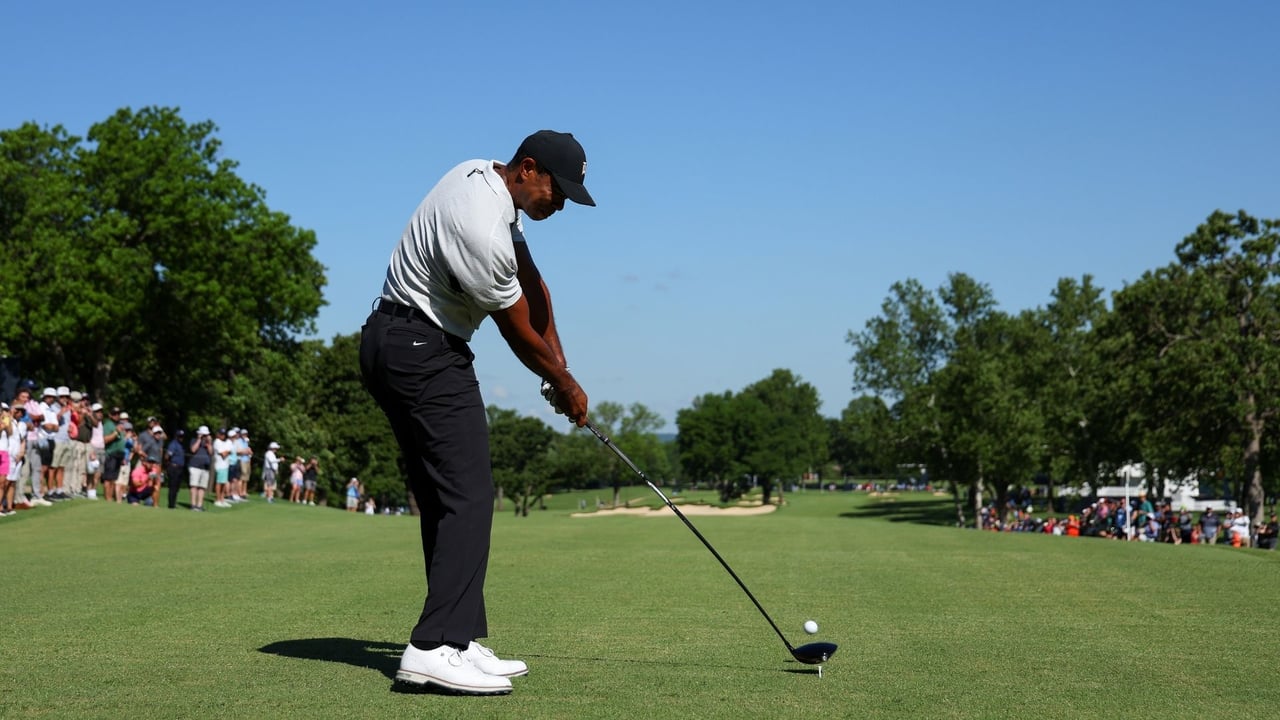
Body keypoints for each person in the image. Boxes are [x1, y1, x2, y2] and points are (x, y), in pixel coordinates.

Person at [359, 130, 594, 695]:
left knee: (448, 498)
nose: (557, 204)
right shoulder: (483, 227)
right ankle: (433, 648)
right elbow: (517, 332)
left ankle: (455, 637)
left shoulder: (484, 179)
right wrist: (563, 384)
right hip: (421, 350)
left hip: (398, 342)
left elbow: (534, 287)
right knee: (469, 495)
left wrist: (563, 366)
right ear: (528, 169)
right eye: (555, 192)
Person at [188, 426, 214, 511]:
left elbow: (211, 452)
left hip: (205, 467)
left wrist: (209, 443)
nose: (205, 436)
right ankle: (193, 505)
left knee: (202, 487)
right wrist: (199, 440)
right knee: (194, 485)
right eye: (203, 434)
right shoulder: (194, 440)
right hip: (195, 466)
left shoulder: (208, 443)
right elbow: (193, 450)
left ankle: (199, 505)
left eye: (206, 435)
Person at [164, 429, 186, 509]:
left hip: (180, 468)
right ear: (176, 436)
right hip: (174, 467)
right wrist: (168, 466)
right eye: (180, 436)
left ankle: (173, 503)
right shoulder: (173, 444)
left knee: (176, 487)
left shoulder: (181, 445)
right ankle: (171, 505)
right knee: (172, 487)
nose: (181, 438)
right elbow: (167, 456)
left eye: (182, 436)